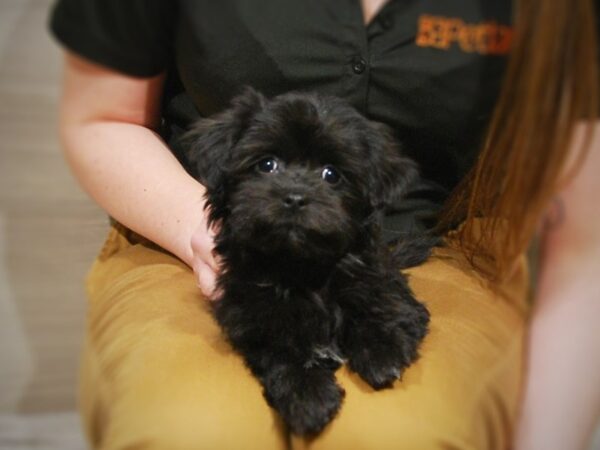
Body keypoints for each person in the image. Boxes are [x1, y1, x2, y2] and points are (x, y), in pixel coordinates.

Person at [49, 0, 599, 449]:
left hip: (439, 244)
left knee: (403, 434)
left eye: (327, 173)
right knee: (192, 429)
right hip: (184, 224)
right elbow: (103, 117)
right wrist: (208, 233)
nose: (294, 189)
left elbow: (585, 239)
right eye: (271, 165)